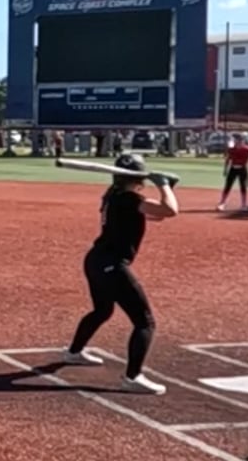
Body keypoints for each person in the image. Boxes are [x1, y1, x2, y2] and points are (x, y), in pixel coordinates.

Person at [61, 153, 179, 394]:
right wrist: (163, 185)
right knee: (145, 322)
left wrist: (168, 188)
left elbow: (156, 215)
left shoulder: (114, 195)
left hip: (96, 260)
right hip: (112, 265)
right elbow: (170, 211)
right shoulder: (129, 198)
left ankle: (74, 352)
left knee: (102, 310)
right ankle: (133, 377)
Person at [218, 133, 248, 211]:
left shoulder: (247, 150)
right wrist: (225, 169)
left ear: (243, 141)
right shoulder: (231, 150)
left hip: (242, 169)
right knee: (228, 186)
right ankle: (222, 203)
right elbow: (227, 160)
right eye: (237, 140)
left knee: (243, 187)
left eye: (240, 140)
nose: (238, 142)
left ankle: (243, 205)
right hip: (233, 169)